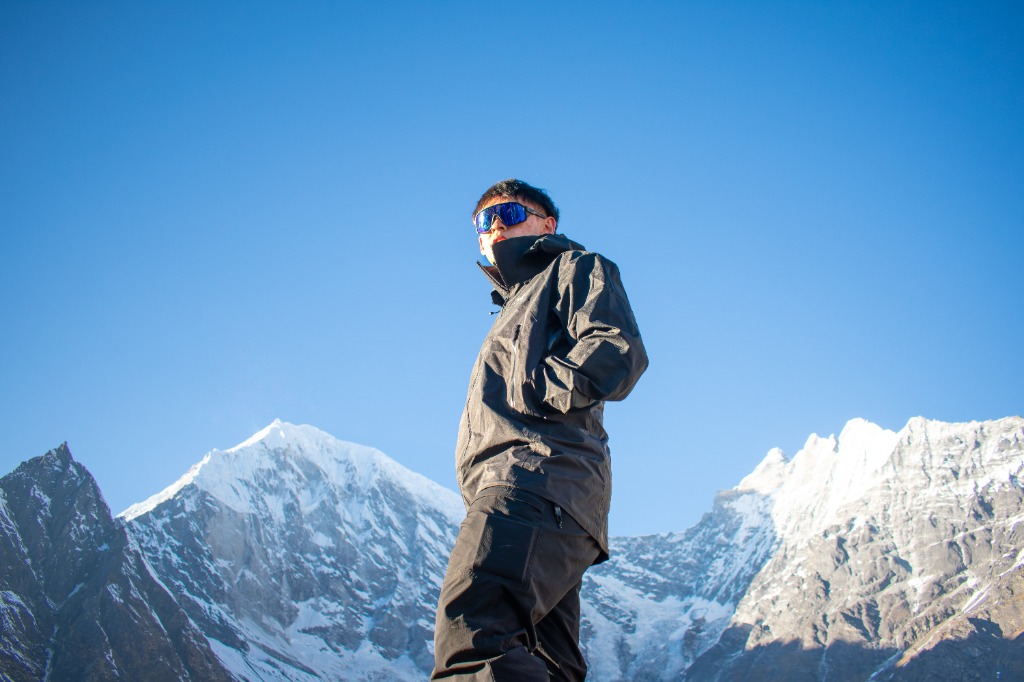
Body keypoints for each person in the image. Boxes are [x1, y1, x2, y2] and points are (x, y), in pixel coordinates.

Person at [432, 179, 649, 680]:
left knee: (474, 632)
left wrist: (536, 388)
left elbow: (617, 350)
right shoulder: (515, 305)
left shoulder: (574, 268)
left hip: (533, 479)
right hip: (545, 493)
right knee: (551, 664)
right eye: (483, 222)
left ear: (547, 225)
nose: (495, 226)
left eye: (508, 212)